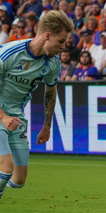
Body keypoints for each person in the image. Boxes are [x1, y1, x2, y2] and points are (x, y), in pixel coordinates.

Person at [0, 10, 74, 202]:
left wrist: (47, 125)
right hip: (1, 115)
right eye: (61, 41)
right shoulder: (9, 53)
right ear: (47, 35)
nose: (63, 47)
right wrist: (3, 117)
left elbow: (51, 92)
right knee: (5, 168)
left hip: (16, 118)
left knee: (18, 179)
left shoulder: (52, 64)